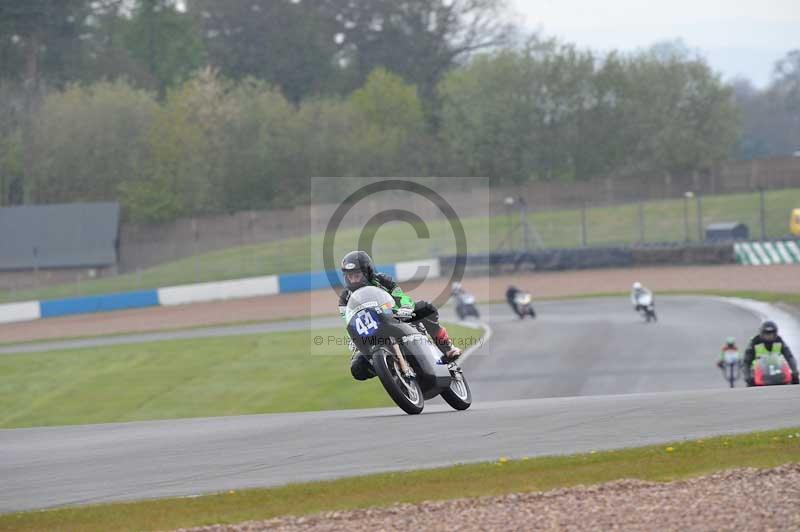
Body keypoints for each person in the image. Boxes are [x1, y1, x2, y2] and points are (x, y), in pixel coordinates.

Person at [338, 250, 462, 381]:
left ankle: (447, 348)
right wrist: (352, 339)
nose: (353, 279)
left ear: (367, 271)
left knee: (426, 308)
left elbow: (400, 296)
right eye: (349, 276)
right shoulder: (344, 298)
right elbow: (348, 321)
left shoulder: (382, 280)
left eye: (357, 275)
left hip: (395, 316)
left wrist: (405, 308)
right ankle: (389, 369)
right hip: (370, 330)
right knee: (357, 368)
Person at [743, 320, 799, 386]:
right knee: (749, 385)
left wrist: (795, 371)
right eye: (767, 334)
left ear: (775, 333)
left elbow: (789, 357)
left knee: (796, 381)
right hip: (759, 376)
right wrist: (747, 376)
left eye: (771, 334)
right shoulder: (754, 342)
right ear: (761, 333)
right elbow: (746, 361)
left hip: (780, 374)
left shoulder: (779, 340)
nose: (769, 336)